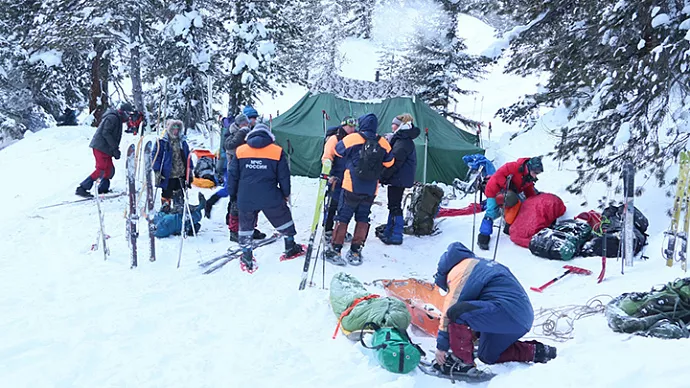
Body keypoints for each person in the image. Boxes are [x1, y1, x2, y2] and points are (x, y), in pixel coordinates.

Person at [432, 242, 557, 377]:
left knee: (456, 312)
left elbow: (451, 309)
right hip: (521, 319)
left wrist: (442, 347)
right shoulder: (482, 264)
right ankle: (537, 351)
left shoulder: (461, 269)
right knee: (487, 355)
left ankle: (462, 363)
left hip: (505, 312)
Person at [228, 123, 303, 272]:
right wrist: (285, 194)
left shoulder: (240, 150)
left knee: (246, 225)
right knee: (283, 218)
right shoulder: (277, 151)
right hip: (270, 195)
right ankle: (290, 246)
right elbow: (284, 176)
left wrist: (233, 195)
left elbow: (232, 175)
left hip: (245, 195)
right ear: (269, 136)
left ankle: (247, 255)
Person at [324, 113, 394, 266]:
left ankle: (336, 249)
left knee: (343, 216)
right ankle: (356, 250)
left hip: (351, 185)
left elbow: (337, 151)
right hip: (371, 188)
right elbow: (390, 162)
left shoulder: (353, 138)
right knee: (363, 218)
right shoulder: (383, 142)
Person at [204, 113, 265, 241]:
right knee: (233, 197)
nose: (245, 125)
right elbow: (229, 147)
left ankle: (250, 228)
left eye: (246, 123)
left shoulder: (250, 131)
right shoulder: (231, 133)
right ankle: (233, 228)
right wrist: (242, 134)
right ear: (238, 124)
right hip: (233, 170)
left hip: (249, 170)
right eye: (243, 123)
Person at [477, 157, 543, 250]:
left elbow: (529, 190)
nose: (535, 176)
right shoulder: (513, 166)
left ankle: (508, 226)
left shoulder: (528, 178)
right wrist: (507, 185)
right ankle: (483, 235)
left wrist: (533, 202)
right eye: (535, 173)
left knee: (517, 206)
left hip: (510, 193)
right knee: (492, 211)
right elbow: (498, 175)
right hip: (494, 189)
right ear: (529, 168)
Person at [75, 102, 133, 198]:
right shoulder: (113, 118)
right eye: (128, 114)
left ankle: (103, 188)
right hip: (100, 147)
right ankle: (82, 188)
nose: (129, 118)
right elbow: (106, 133)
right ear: (123, 112)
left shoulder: (117, 118)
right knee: (101, 169)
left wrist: (114, 149)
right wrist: (114, 148)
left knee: (109, 170)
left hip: (106, 148)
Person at [378, 113, 419, 245]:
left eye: (394, 125)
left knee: (395, 206)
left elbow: (395, 162)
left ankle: (396, 234)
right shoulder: (402, 140)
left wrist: (383, 176)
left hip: (398, 178)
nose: (392, 127)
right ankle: (390, 230)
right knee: (393, 205)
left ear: (400, 126)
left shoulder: (403, 142)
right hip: (399, 178)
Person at [321, 116, 357, 242]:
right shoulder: (335, 139)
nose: (352, 129)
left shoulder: (354, 138)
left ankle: (339, 230)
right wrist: (328, 174)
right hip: (336, 177)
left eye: (354, 126)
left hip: (349, 178)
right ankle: (328, 229)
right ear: (343, 125)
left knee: (344, 205)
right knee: (332, 204)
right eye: (350, 126)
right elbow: (327, 157)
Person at [151, 120, 193, 213]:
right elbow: (155, 156)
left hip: (181, 173)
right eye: (173, 128)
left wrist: (190, 171)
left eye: (178, 129)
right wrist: (157, 170)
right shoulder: (162, 142)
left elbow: (188, 156)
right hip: (167, 175)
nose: (176, 131)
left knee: (180, 195)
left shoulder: (182, 141)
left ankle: (179, 214)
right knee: (167, 195)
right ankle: (165, 213)